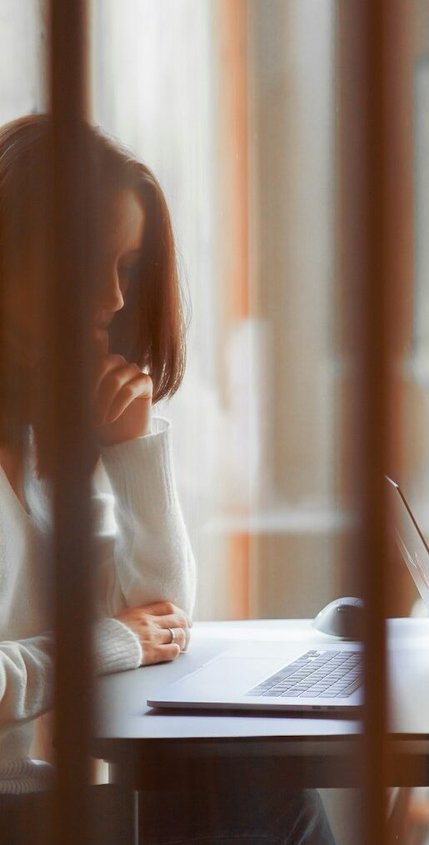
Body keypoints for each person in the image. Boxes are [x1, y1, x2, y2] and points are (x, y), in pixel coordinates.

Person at [0, 113, 333, 844]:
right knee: (267, 795)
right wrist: (110, 643)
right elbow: (129, 634)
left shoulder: (35, 445)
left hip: (34, 803)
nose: (115, 299)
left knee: (263, 782)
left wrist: (133, 451)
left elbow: (161, 616)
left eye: (126, 267)